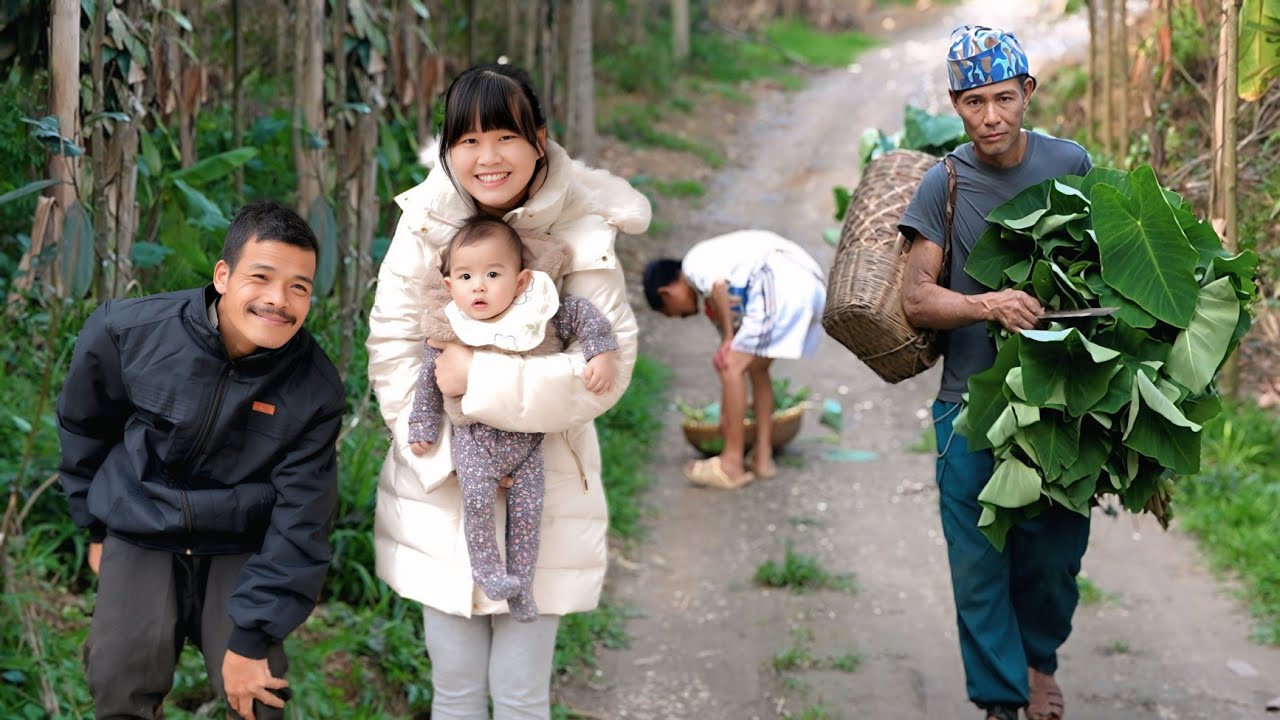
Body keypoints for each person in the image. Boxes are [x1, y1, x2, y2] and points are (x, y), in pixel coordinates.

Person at [366, 62, 649, 719]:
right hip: (441, 492)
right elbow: (392, 353)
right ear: (447, 148)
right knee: (456, 691)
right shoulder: (423, 225)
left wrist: (484, 382)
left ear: (540, 140)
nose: (487, 158)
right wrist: (453, 460)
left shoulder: (583, 225)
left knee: (522, 696)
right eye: (467, 140)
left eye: (505, 137)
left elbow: (606, 365)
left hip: (542, 490)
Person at [56, 200, 344, 720]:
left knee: (259, 700)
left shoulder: (314, 388)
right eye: (262, 277)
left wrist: (253, 638)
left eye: (299, 286)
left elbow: (304, 518)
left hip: (240, 543)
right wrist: (95, 525)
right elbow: (84, 427)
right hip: (141, 522)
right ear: (223, 275)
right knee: (118, 685)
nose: (279, 301)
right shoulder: (128, 332)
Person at [898, 25, 1093, 720]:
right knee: (980, 565)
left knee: (1053, 558)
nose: (990, 117)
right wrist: (988, 303)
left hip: (1061, 403)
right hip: (970, 405)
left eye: (1004, 98)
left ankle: (1038, 661)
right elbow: (917, 297)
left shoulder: (1071, 163)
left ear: (1028, 93)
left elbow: (1110, 271)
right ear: (955, 103)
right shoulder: (943, 181)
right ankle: (1001, 700)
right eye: (974, 101)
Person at [407, 215, 618, 623]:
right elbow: (427, 381)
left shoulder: (538, 314)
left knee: (528, 513)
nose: (479, 286)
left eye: (492, 273)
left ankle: (521, 584)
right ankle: (489, 573)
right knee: (478, 504)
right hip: (474, 441)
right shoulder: (449, 327)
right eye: (466, 276)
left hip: (528, 443)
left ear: (521, 282)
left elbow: (583, 315)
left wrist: (601, 351)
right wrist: (422, 426)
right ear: (450, 286)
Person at [642, 230, 827, 489]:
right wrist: (727, 416)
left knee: (733, 365)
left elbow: (719, 286)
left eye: (674, 313)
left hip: (781, 280)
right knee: (756, 370)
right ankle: (763, 459)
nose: (681, 317)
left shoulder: (693, 265)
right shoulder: (715, 290)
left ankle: (731, 464)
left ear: (666, 293)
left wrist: (729, 338)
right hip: (805, 285)